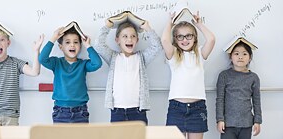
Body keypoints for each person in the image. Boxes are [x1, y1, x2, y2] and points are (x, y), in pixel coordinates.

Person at [94, 17, 162, 125]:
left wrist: (148, 28)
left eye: (133, 36)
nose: (129, 39)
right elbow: (98, 45)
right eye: (125, 36)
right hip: (117, 111)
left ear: (137, 40)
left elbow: (157, 46)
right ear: (117, 40)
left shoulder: (141, 58)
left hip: (138, 111)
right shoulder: (113, 57)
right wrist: (107, 26)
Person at [161, 11, 215, 139]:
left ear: (195, 37)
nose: (185, 40)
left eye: (188, 36)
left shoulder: (200, 54)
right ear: (175, 39)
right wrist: (170, 23)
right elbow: (164, 39)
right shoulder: (173, 55)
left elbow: (211, 39)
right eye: (180, 36)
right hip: (176, 108)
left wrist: (199, 24)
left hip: (198, 108)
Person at [39, 26, 102, 123]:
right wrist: (53, 38)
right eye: (67, 42)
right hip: (60, 111)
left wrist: (88, 45)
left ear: (80, 46)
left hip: (81, 111)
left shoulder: (83, 64)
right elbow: (42, 59)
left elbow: (97, 63)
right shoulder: (56, 63)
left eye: (76, 42)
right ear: (61, 47)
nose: (72, 45)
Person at [216, 42, 262, 139]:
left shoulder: (253, 77)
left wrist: (257, 121)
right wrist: (220, 119)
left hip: (247, 124)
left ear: (250, 57)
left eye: (244, 54)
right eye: (236, 54)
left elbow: (256, 101)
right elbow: (220, 99)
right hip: (228, 124)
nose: (240, 57)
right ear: (230, 56)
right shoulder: (224, 75)